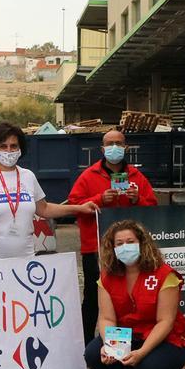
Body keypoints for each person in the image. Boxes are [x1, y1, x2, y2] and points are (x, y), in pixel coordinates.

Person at [84, 220, 185, 369]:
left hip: (165, 338)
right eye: (119, 244)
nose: (125, 247)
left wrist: (141, 353)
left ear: (142, 243)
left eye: (130, 241)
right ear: (112, 248)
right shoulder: (106, 277)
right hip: (128, 335)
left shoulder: (165, 275)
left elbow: (165, 321)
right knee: (93, 354)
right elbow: (107, 318)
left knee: (147, 368)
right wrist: (110, 346)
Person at [68, 129, 158, 343]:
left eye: (119, 143)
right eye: (110, 144)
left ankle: (125, 345)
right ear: (102, 148)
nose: (114, 147)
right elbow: (73, 206)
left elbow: (153, 207)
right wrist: (99, 199)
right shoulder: (88, 175)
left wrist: (138, 199)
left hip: (130, 249)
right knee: (93, 297)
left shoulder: (136, 176)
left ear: (126, 147)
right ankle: (87, 346)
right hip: (95, 249)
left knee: (126, 298)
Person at [0, 122, 98, 261]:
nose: (9, 151)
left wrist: (79, 208)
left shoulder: (28, 176)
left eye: (13, 146)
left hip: (24, 257)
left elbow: (44, 209)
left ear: (20, 148)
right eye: (3, 146)